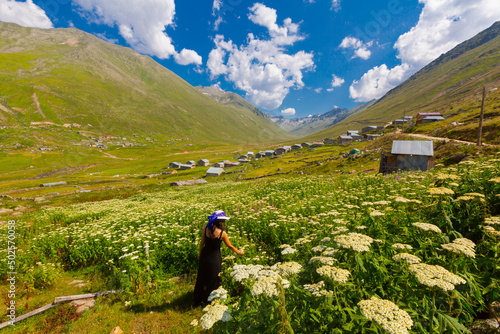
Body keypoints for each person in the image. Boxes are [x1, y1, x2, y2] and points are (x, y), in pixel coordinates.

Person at [192, 210, 244, 307]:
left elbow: (202, 243)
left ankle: (197, 300)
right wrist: (239, 252)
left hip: (204, 256)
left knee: (202, 277)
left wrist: (199, 253)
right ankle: (211, 300)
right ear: (220, 222)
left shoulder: (205, 229)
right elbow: (230, 246)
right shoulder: (222, 233)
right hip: (214, 258)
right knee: (213, 278)